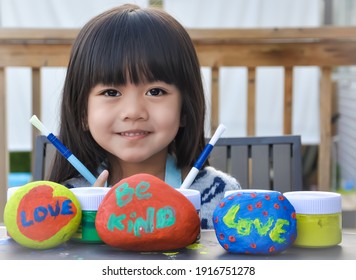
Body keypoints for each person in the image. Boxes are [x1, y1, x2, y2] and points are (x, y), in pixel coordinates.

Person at [49, 3, 241, 229]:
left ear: (185, 109)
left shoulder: (222, 198)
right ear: (82, 112)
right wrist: (90, 221)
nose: (133, 112)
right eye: (111, 92)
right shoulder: (65, 205)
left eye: (155, 91)